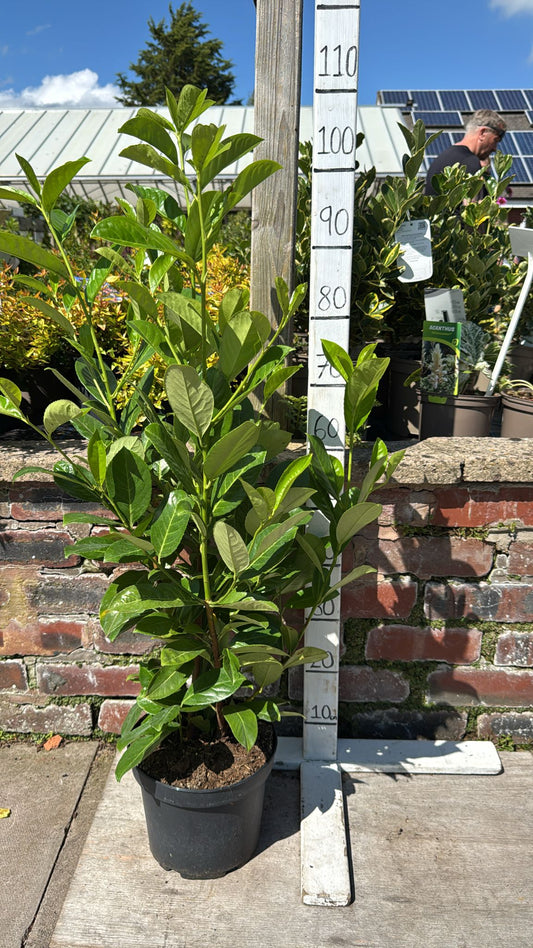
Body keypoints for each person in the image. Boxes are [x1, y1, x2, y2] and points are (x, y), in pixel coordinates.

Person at [424, 109, 507, 195]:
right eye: (495, 140)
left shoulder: (442, 158)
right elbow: (472, 206)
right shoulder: (470, 162)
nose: (495, 148)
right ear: (483, 133)